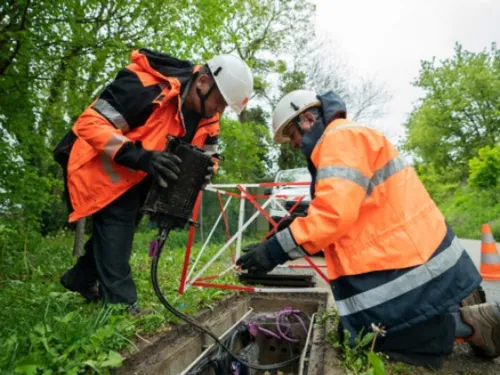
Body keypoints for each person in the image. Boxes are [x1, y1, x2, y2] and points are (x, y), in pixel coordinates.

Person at [236, 89, 500, 368]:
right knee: (362, 330)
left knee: (370, 336)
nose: (293, 145)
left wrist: (274, 251)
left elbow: (333, 216)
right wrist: (296, 227)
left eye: (291, 135)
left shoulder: (339, 139)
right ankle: (452, 303)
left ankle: (472, 325)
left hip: (408, 261)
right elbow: (349, 203)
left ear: (307, 120)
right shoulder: (347, 136)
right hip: (412, 253)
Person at [54, 49, 253, 314]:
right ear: (203, 82)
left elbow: (210, 154)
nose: (220, 110)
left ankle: (80, 278)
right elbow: (91, 123)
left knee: (122, 228)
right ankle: (121, 306)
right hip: (100, 166)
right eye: (221, 101)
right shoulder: (144, 86)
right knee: (118, 222)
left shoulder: (208, 116)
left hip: (139, 177)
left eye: (226, 106)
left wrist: (207, 171)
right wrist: (139, 156)